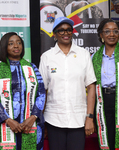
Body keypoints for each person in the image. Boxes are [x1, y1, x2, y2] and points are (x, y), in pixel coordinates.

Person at [39, 16, 96, 150]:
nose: (66, 33)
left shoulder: (83, 54)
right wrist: (42, 122)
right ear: (54, 34)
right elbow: (43, 91)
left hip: (78, 118)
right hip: (53, 118)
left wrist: (89, 117)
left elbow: (91, 86)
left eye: (69, 30)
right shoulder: (47, 57)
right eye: (61, 30)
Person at [0, 32, 46, 150]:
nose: (16, 46)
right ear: (4, 47)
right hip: (5, 125)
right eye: (11, 43)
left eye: (19, 42)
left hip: (31, 124)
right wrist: (8, 120)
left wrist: (33, 117)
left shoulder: (32, 67)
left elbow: (41, 93)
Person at [92, 19, 119, 150]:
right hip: (102, 102)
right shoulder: (94, 58)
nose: (112, 34)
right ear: (101, 35)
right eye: (107, 31)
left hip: (118, 99)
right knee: (108, 136)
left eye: (115, 31)